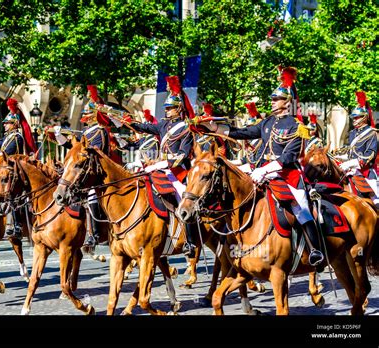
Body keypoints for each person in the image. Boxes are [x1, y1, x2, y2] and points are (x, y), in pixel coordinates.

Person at [199, 67, 324, 267]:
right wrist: (213, 128)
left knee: (301, 209)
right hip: (264, 174)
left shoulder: (297, 125)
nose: (272, 102)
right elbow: (242, 133)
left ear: (287, 102)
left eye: (276, 99)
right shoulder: (268, 122)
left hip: (288, 176)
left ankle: (316, 249)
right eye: (272, 99)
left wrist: (264, 169)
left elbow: (289, 156)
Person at [123, 76, 197, 257]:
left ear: (179, 109)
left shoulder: (186, 129)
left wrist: (162, 163)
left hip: (177, 171)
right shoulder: (164, 125)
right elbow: (145, 128)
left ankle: (189, 241)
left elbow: (182, 155)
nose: (167, 110)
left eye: (170, 108)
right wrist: (129, 123)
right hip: (159, 168)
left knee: (183, 198)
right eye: (166, 108)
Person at [53, 85, 111, 249]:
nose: (84, 116)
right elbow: (73, 151)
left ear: (93, 116)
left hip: (96, 171)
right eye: (84, 113)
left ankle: (94, 234)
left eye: (87, 113)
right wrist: (59, 135)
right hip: (84, 171)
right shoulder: (86, 133)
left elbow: (93, 154)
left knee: (92, 196)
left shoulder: (100, 132)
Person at [0, 98, 37, 239]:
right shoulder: (8, 136)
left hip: (14, 169)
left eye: (7, 123)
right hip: (6, 167)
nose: (5, 126)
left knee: (13, 193)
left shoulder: (17, 137)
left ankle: (17, 225)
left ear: (14, 124)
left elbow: (7, 153)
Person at [336, 91, 378, 205]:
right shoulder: (353, 133)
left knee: (376, 199)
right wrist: (340, 157)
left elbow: (369, 156)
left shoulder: (371, 134)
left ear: (364, 118)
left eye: (356, 117)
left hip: (366, 172)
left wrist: (350, 163)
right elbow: (351, 153)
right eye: (353, 118)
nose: (354, 120)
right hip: (352, 171)